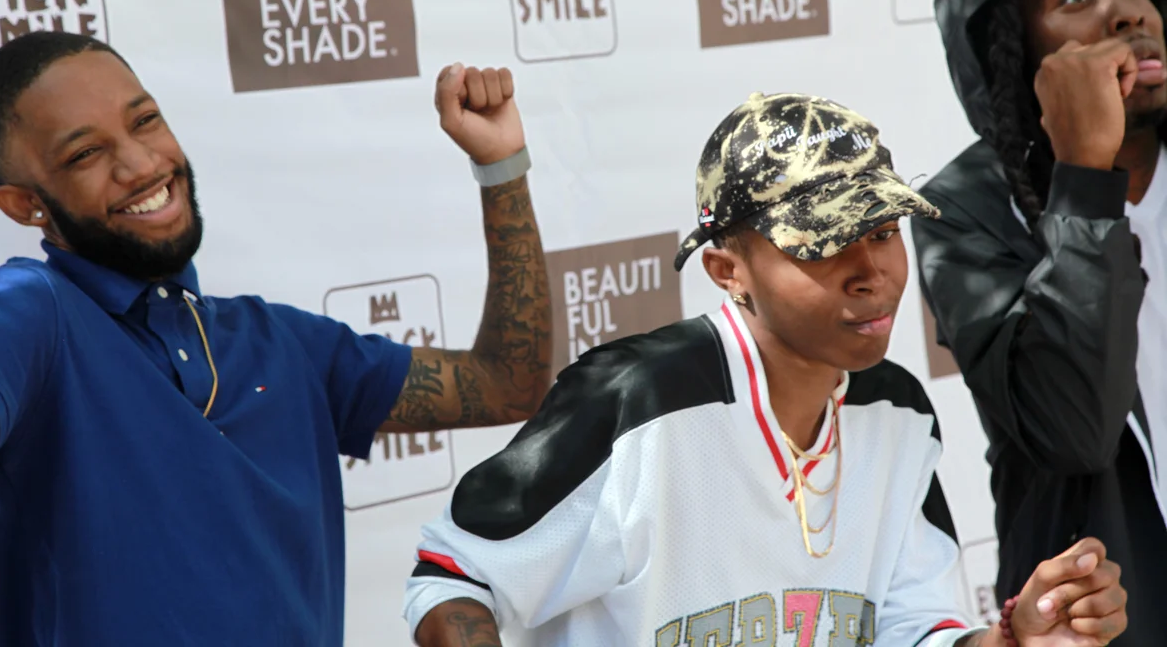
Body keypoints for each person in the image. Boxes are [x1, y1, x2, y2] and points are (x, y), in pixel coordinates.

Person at [401, 92, 1128, 647]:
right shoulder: (635, 400)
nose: (871, 272)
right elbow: (455, 576)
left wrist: (1011, 640)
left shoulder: (897, 410)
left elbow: (911, 628)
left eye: (883, 232)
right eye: (824, 244)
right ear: (728, 270)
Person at [0, 31, 553, 646]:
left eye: (144, 121)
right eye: (85, 153)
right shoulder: (30, 312)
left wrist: (502, 167)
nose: (140, 164)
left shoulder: (282, 342)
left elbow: (505, 385)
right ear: (25, 205)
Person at [913, 0, 1167, 644]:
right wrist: (1085, 175)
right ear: (1012, 52)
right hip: (1096, 617)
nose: (1127, 13)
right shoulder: (963, 211)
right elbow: (1074, 428)